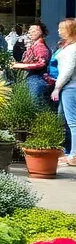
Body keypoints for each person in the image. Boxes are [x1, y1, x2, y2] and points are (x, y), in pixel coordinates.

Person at [53, 19, 76, 165]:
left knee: (72, 122)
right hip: (69, 87)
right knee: (64, 120)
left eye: (62, 29)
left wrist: (57, 87)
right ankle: (68, 152)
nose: (59, 31)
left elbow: (68, 70)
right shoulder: (68, 46)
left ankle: (73, 155)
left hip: (70, 87)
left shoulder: (73, 48)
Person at [12, 22, 52, 103]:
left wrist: (20, 66)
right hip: (32, 79)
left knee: (35, 105)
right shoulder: (34, 46)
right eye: (29, 31)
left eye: (33, 31)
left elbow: (42, 63)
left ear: (41, 32)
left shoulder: (40, 46)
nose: (30, 33)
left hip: (36, 79)